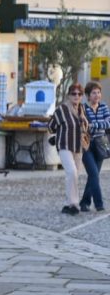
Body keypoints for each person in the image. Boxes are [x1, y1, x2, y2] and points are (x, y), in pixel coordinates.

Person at [49, 83, 89, 216]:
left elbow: (85, 127)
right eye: (74, 93)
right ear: (69, 95)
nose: (76, 96)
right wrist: (61, 132)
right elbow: (51, 126)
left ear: (82, 96)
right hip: (64, 145)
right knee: (72, 172)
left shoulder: (82, 109)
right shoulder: (62, 109)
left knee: (74, 176)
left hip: (78, 147)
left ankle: (67, 203)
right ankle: (74, 204)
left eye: (79, 94)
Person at [81, 82, 110, 212]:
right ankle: (99, 204)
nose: (97, 95)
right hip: (87, 145)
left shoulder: (104, 107)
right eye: (93, 93)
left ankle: (84, 202)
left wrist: (93, 125)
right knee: (93, 173)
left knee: (94, 175)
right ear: (88, 95)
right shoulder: (83, 109)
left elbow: (108, 123)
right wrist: (93, 125)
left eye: (98, 92)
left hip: (100, 144)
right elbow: (83, 126)